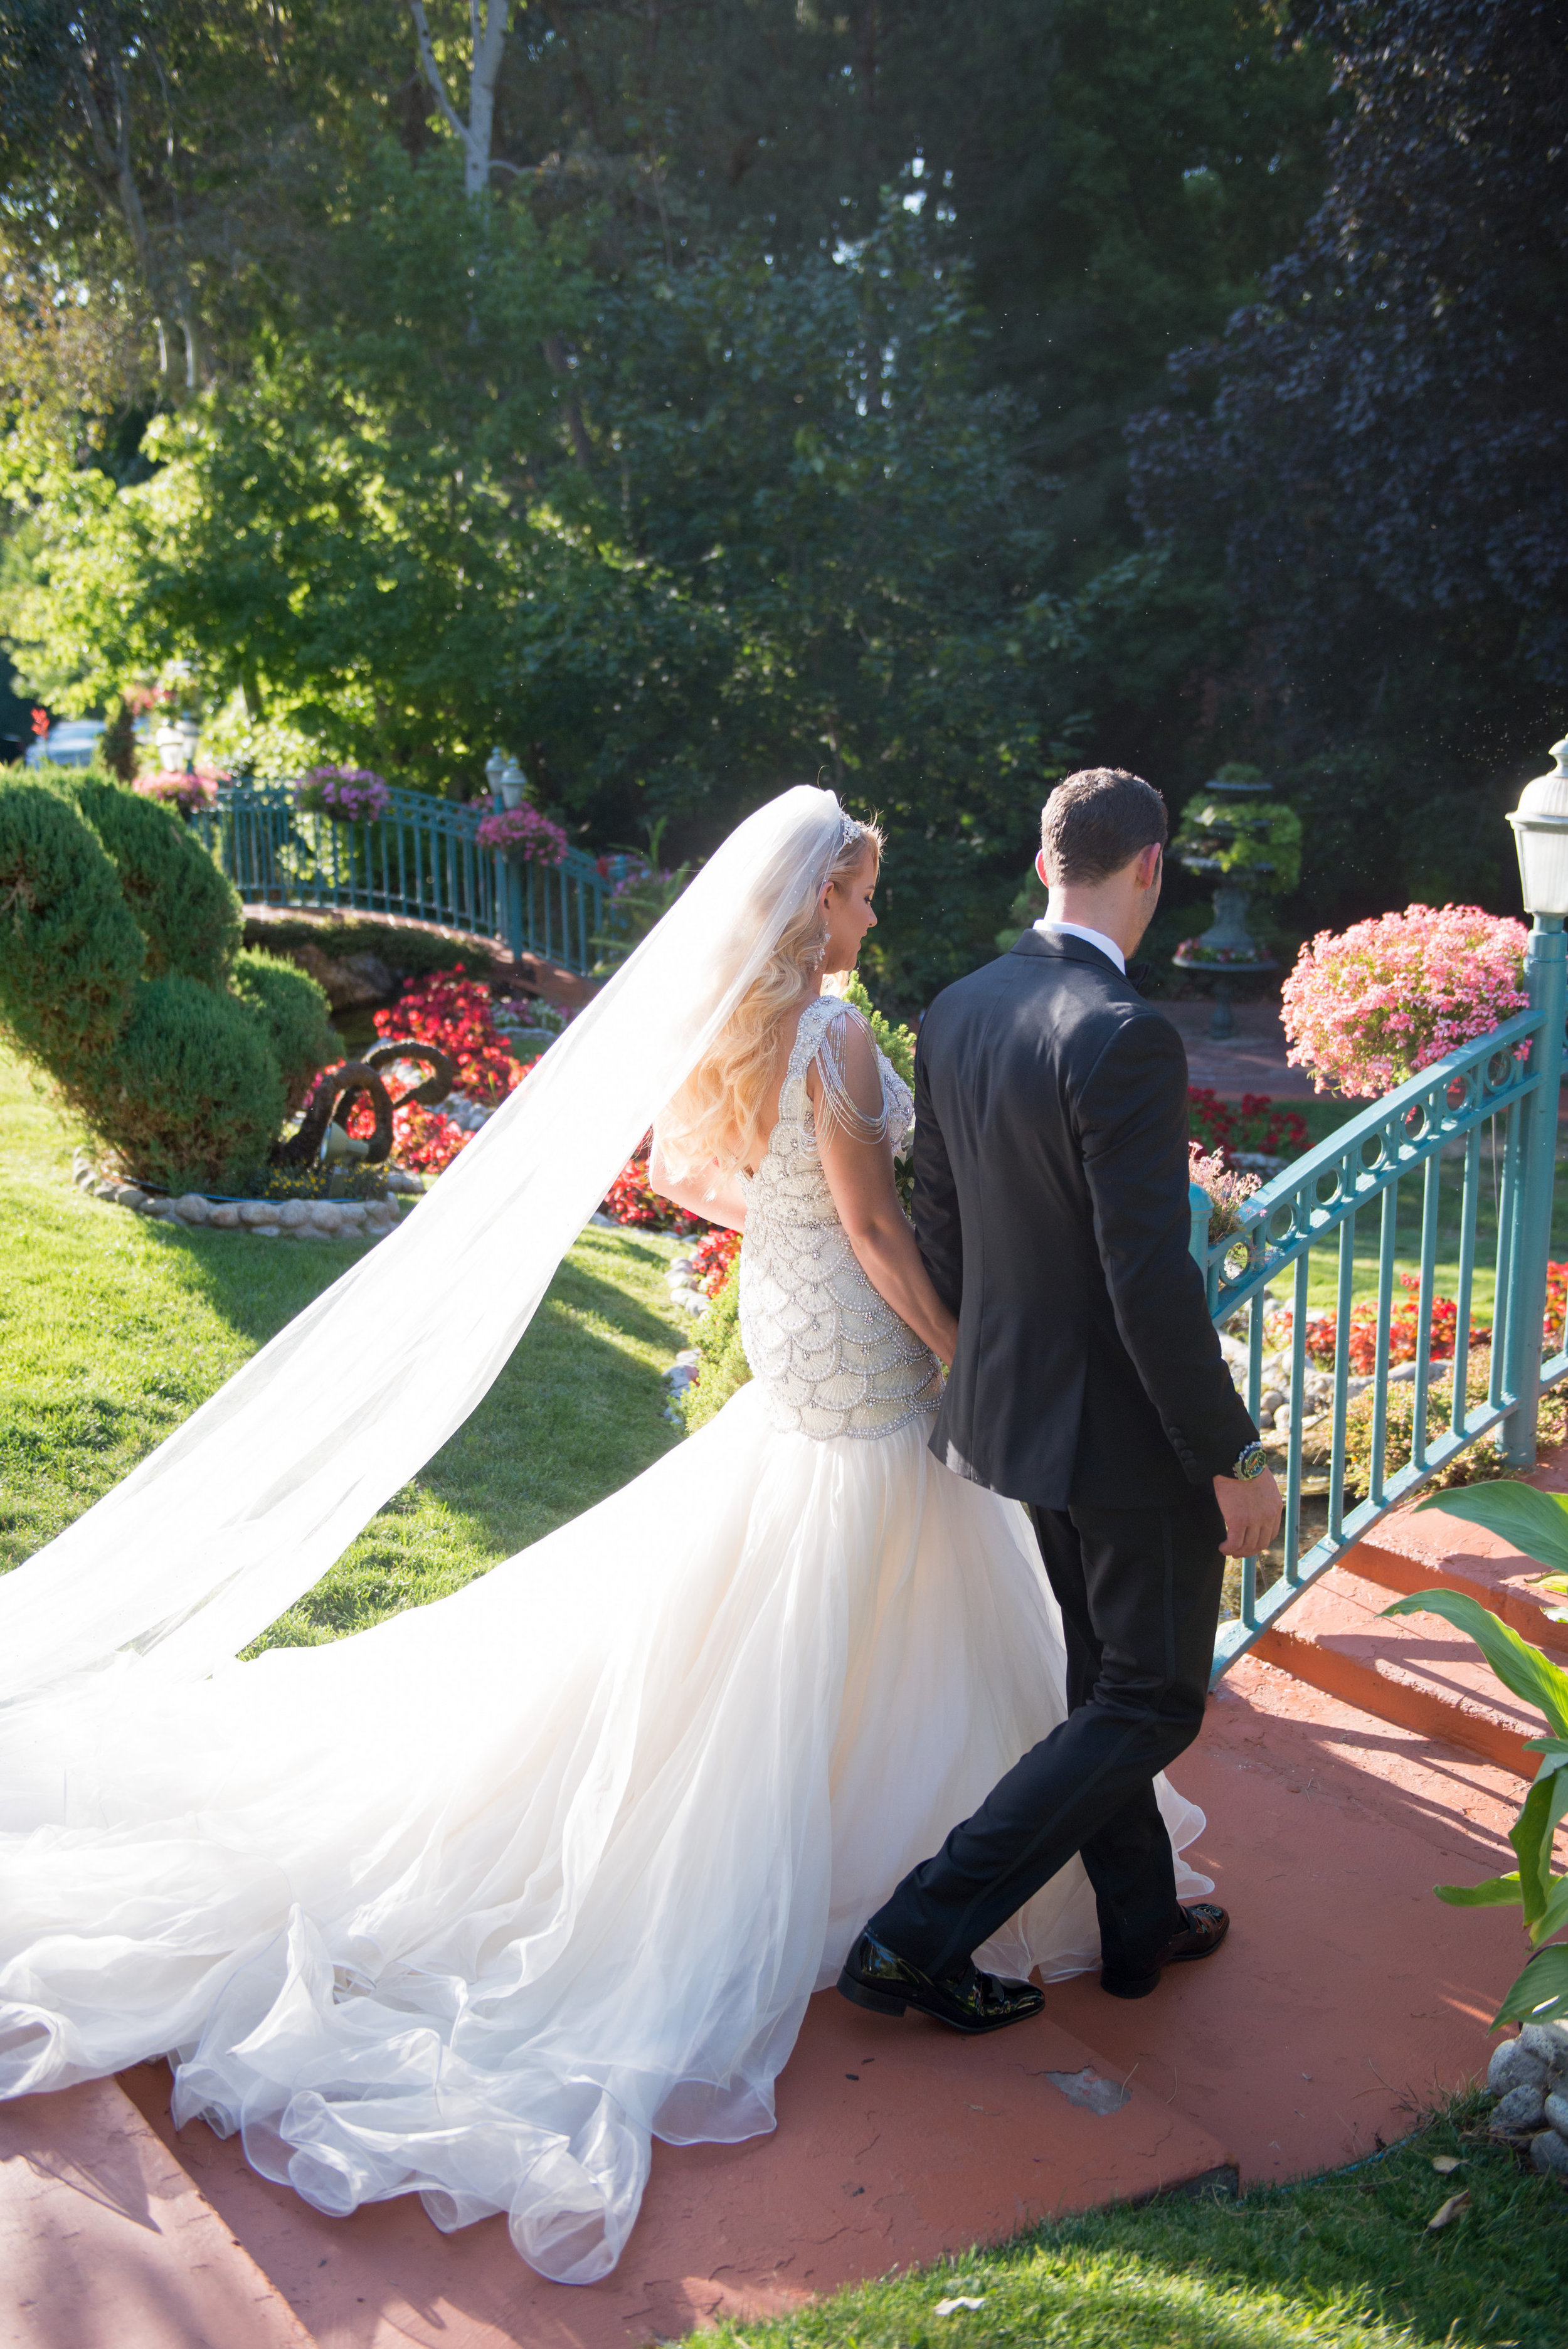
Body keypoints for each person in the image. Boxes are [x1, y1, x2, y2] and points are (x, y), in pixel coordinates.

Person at [0, 785, 1213, 2289]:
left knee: (813, 1573)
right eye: (862, 894)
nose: (873, 916)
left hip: (788, 1328)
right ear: (817, 903)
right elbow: (881, 1229)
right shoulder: (834, 1034)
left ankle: (968, 1874)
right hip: (858, 1341)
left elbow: (701, 1179)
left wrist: (791, 1253)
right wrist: (959, 1351)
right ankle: (903, 1895)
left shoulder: (750, 1029)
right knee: (863, 1570)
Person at [840, 767, 1283, 2033]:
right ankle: (914, 1932)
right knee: (1151, 1700)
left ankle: (1138, 1924)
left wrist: (985, 1374)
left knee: (1107, 1687)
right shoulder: (1123, 1029)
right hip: (1127, 1441)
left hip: (1016, 1418)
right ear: (1148, 867)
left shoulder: (962, 1006)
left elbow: (941, 1225)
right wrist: (1228, 1452)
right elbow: (1146, 1279)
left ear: (1048, 862)